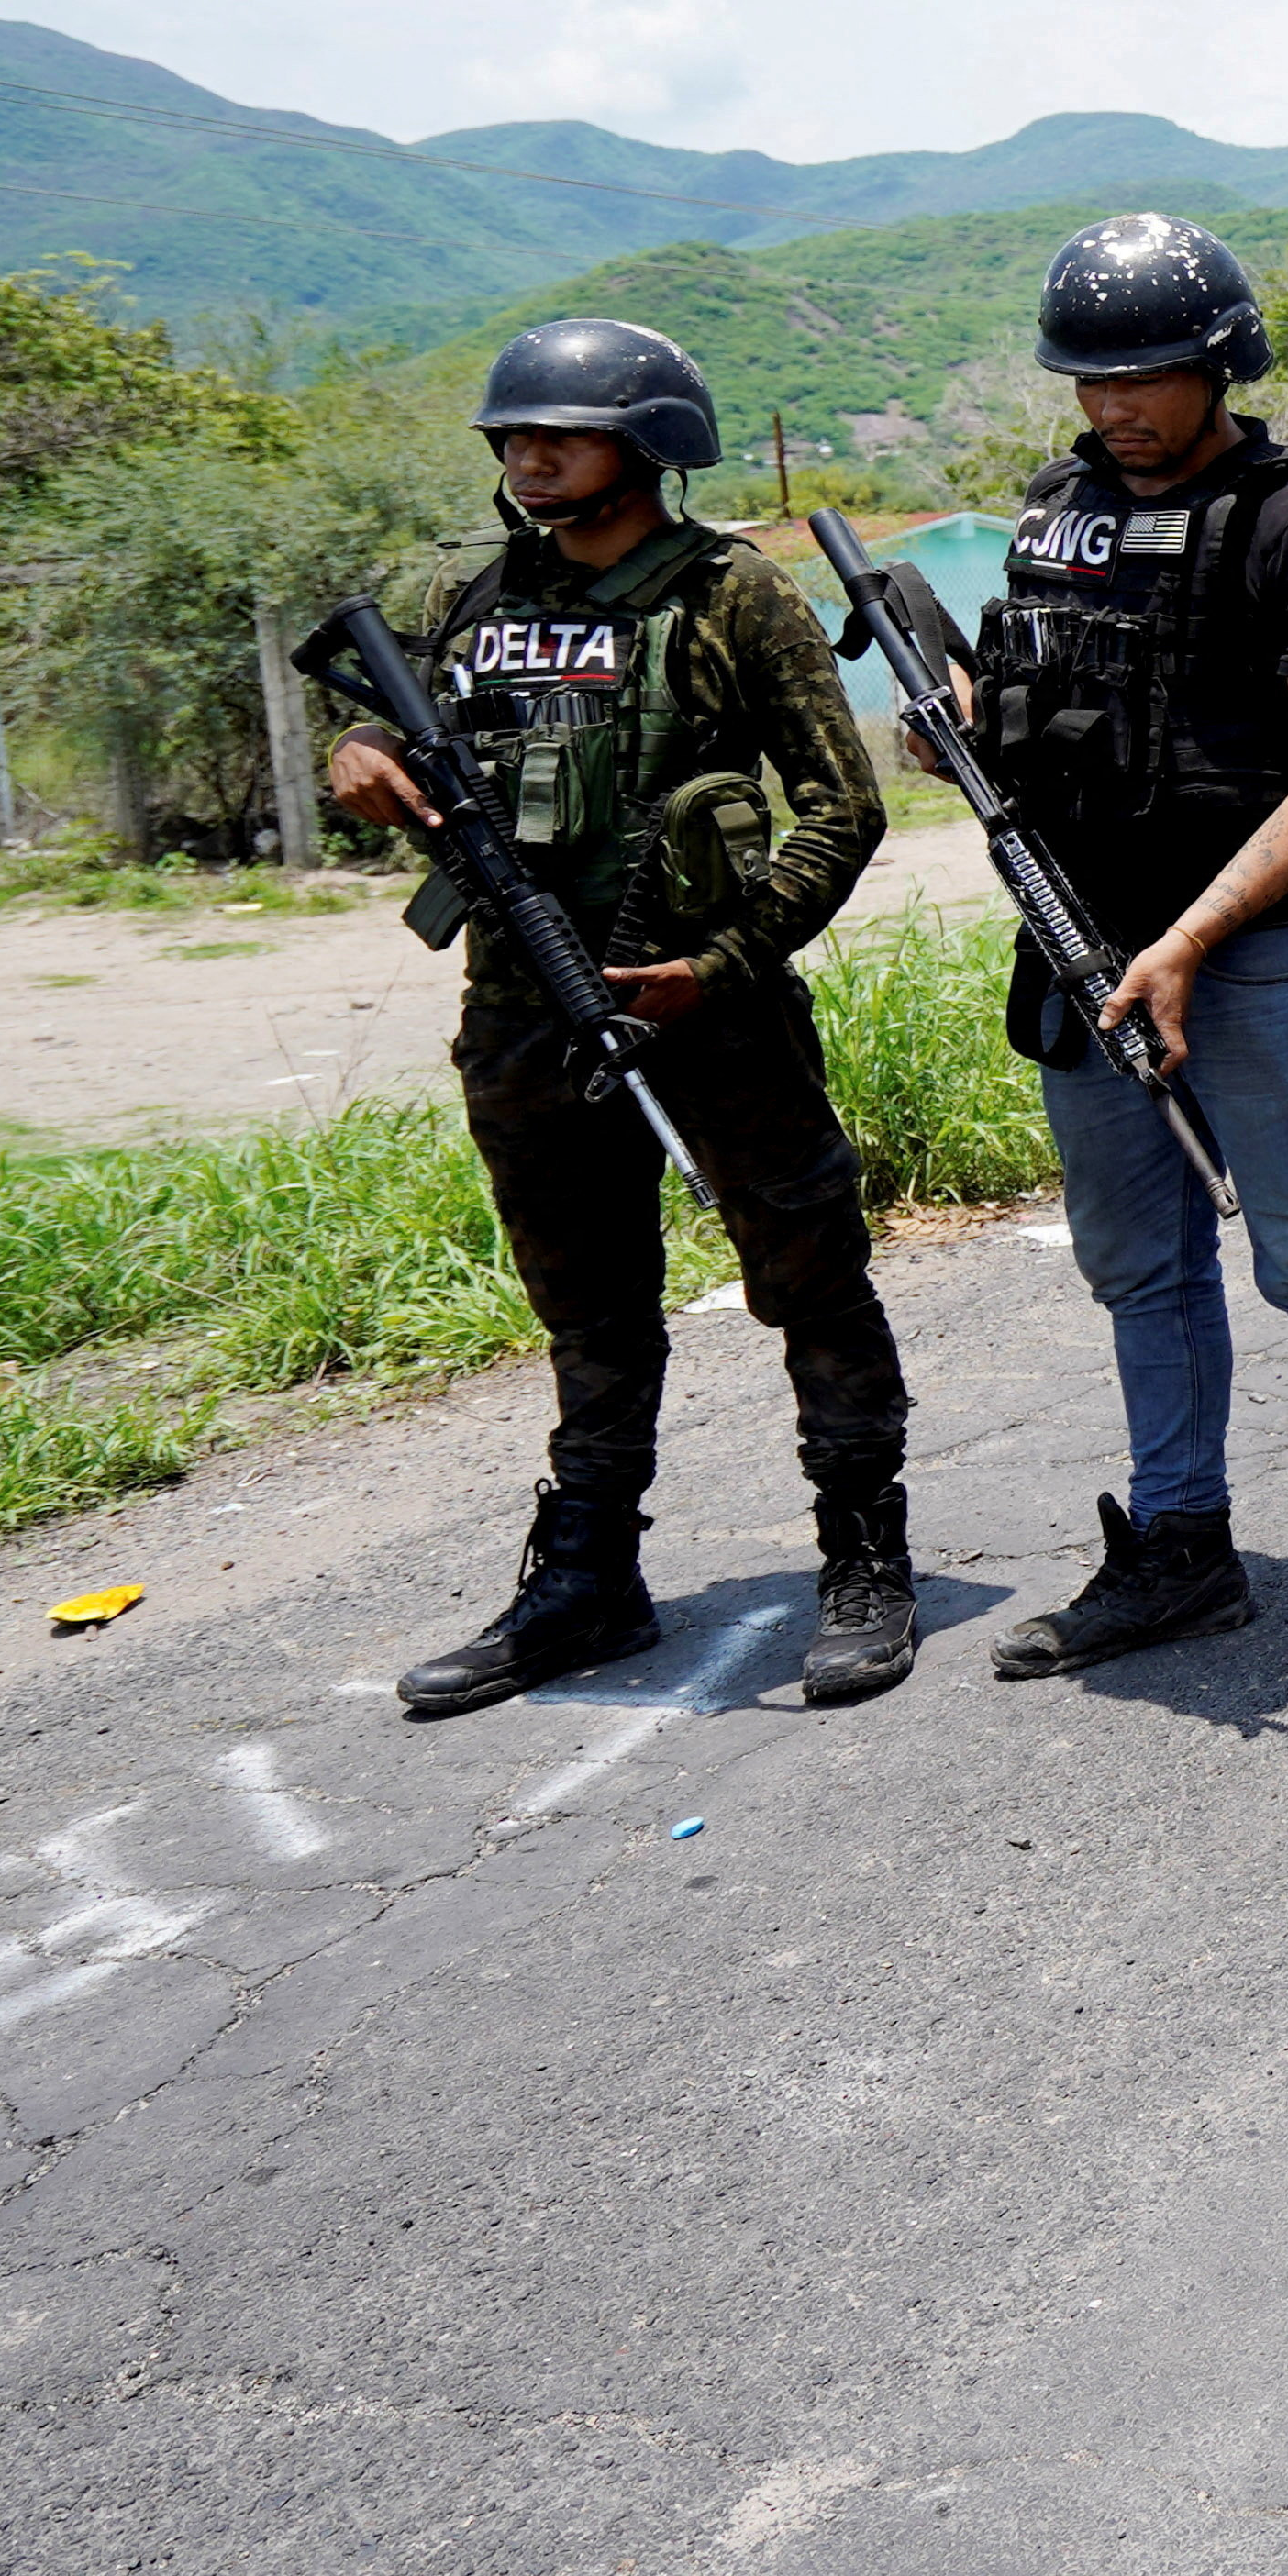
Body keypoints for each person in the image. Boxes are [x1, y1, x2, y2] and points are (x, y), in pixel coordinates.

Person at [340, 322, 917, 1714]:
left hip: (709, 1008)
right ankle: (588, 1577)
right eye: (513, 434)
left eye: (564, 433)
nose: (529, 455)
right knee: (589, 1309)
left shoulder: (731, 593)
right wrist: (360, 753)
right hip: (523, 1007)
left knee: (810, 1275)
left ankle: (864, 1558)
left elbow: (842, 807)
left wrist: (722, 960)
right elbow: (405, 735)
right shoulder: (472, 595)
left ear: (647, 444)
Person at [968, 214, 1288, 1714]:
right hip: (1084, 950)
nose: (1113, 404)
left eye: (1143, 376)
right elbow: (1037, 705)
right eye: (1090, 378)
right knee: (1141, 1268)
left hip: (1249, 958)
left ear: (1219, 364)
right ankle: (1180, 1546)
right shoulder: (1055, 511)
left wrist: (1191, 938)